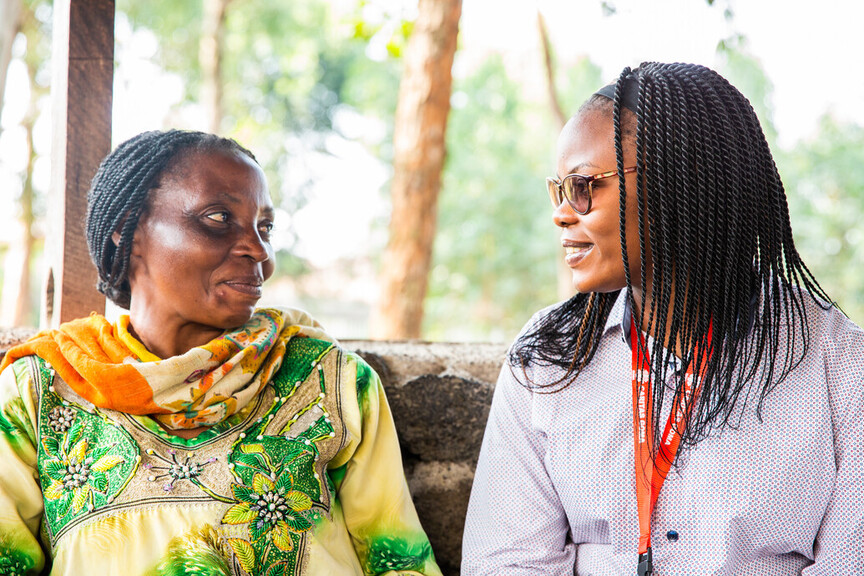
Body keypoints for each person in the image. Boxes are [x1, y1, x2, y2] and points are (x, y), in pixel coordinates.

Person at [461, 62, 864, 575]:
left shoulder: (840, 366)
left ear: (680, 184)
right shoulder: (548, 356)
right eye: (558, 190)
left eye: (583, 186)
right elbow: (505, 562)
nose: (562, 212)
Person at [0, 130, 441, 576]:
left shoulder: (331, 381)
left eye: (265, 228)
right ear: (128, 233)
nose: (259, 250)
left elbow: (400, 563)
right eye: (218, 217)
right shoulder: (41, 391)